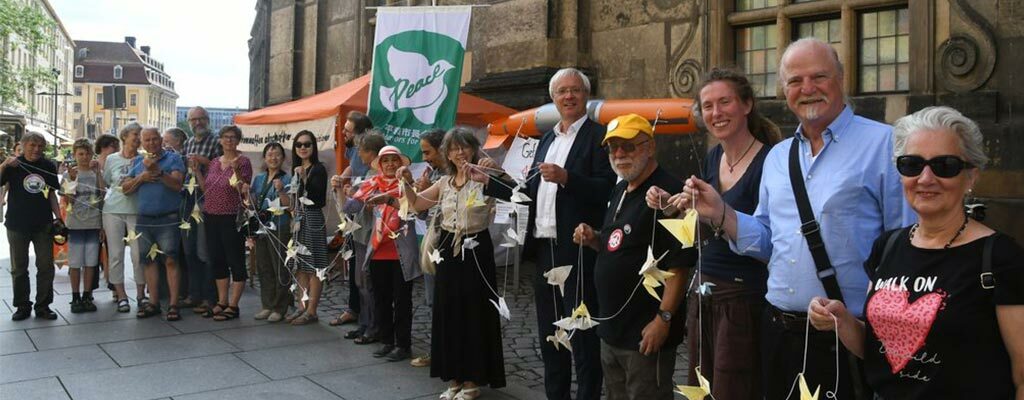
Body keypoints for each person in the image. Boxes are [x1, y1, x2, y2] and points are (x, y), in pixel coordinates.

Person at [677, 38, 915, 399]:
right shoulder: (779, 156)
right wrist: (721, 212)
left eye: (818, 76)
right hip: (779, 330)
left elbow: (906, 245)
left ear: (841, 77)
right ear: (783, 90)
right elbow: (767, 240)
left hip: (845, 336)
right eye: (795, 81)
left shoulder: (885, 144)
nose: (807, 89)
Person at [807, 106, 1024, 399]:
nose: (925, 178)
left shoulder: (999, 257)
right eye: (912, 164)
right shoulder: (888, 246)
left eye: (945, 165)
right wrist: (842, 321)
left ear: (971, 177)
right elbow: (879, 349)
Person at [646, 67, 780, 398]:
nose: (716, 113)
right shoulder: (714, 156)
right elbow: (704, 224)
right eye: (708, 106)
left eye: (725, 102)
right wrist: (672, 204)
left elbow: (774, 239)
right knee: (703, 390)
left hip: (744, 300)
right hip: (705, 294)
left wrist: (718, 212)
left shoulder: (771, 161)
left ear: (747, 104)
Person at [483, 67, 615, 400]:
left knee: (583, 334)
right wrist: (490, 181)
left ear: (586, 95)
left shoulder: (599, 137)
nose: (568, 96)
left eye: (575, 90)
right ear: (553, 98)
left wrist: (567, 177)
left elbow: (608, 189)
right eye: (562, 91)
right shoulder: (547, 139)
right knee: (551, 334)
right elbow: (529, 191)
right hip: (544, 249)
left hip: (578, 248)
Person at [570, 114, 693, 400]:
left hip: (645, 333)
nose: (619, 154)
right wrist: (594, 238)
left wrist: (663, 319)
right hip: (612, 329)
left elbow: (680, 265)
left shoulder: (669, 192)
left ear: (649, 147)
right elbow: (618, 244)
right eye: (612, 148)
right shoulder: (620, 188)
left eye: (628, 146)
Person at [399, 127, 506, 400]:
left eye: (465, 147)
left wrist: (497, 172)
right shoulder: (445, 182)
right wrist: (406, 182)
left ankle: (472, 380)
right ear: (447, 154)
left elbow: (516, 192)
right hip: (448, 249)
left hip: (476, 249)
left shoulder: (483, 177)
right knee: (449, 313)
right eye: (454, 148)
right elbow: (417, 205)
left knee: (473, 314)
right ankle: (455, 378)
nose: (460, 153)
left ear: (473, 149)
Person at [338, 145, 422, 362]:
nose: (390, 164)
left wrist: (408, 184)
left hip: (402, 252)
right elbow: (350, 208)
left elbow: (420, 211)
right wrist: (339, 189)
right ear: (380, 165)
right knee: (381, 299)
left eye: (394, 160)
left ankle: (403, 345)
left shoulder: (408, 185)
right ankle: (387, 341)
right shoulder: (371, 184)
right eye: (386, 160)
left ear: (400, 163)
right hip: (377, 250)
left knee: (402, 301)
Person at [122, 127, 186, 321]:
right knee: (148, 261)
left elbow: (177, 185)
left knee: (171, 259)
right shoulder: (138, 162)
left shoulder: (174, 159)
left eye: (154, 139)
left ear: (161, 139)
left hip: (168, 218)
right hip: (144, 219)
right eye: (147, 140)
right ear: (142, 143)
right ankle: (153, 302)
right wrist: (141, 177)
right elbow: (125, 189)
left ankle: (173, 304)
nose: (151, 143)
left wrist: (157, 172)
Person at [1, 132, 62, 320]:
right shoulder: (13, 165)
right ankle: (22, 306)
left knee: (46, 266)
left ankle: (43, 305)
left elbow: (51, 194)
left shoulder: (48, 166)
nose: (36, 149)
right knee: (19, 268)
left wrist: (59, 217)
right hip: (17, 224)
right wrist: (4, 165)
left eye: (40, 146)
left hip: (43, 223)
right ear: (23, 145)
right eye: (32, 145)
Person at [194, 125, 253, 321]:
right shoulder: (214, 162)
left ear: (238, 140)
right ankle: (222, 301)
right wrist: (197, 172)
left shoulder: (243, 162)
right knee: (217, 259)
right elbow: (206, 188)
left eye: (233, 137)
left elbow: (242, 189)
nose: (229, 140)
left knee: (235, 259)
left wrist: (236, 171)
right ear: (220, 140)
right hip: (211, 215)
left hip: (231, 216)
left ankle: (234, 305)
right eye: (225, 137)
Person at [337, 133, 386, 343]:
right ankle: (365, 324)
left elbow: (356, 205)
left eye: (361, 150)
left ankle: (373, 327)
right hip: (361, 233)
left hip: (371, 235)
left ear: (371, 153)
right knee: (361, 282)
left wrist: (350, 194)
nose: (358, 154)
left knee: (368, 283)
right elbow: (350, 206)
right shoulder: (368, 174)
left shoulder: (378, 176)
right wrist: (344, 192)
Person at [328, 111, 375, 328]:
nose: (343, 133)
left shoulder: (370, 153)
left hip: (366, 215)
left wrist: (354, 189)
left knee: (364, 270)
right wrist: (342, 177)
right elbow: (352, 167)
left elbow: (368, 179)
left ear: (362, 134)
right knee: (355, 263)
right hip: (354, 211)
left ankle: (368, 318)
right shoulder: (352, 148)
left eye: (348, 130)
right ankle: (355, 310)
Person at [409, 127, 447, 368]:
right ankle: (437, 350)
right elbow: (420, 213)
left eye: (427, 152)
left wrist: (427, 190)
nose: (425, 158)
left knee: (446, 301)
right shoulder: (431, 174)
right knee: (433, 300)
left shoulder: (454, 174)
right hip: (431, 242)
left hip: (448, 244)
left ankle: (447, 353)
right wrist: (419, 190)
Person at [182, 106, 222, 316]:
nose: (197, 123)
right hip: (189, 199)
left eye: (201, 119)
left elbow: (222, 166)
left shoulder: (216, 141)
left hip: (208, 199)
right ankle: (193, 293)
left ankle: (209, 297)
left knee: (205, 250)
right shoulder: (188, 142)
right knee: (189, 250)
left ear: (207, 119)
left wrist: (202, 161)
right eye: (193, 120)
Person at [285, 130, 329, 325]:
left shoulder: (318, 169)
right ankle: (302, 307)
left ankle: (312, 311)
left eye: (307, 144)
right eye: (299, 144)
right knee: (300, 266)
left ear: (313, 147)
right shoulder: (295, 169)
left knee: (315, 265)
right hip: (298, 220)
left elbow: (318, 199)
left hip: (312, 218)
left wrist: (304, 179)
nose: (303, 147)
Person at [103, 123, 145, 313]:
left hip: (137, 211)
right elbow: (107, 182)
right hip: (113, 210)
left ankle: (141, 294)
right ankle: (121, 295)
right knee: (115, 254)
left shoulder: (144, 159)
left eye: (140, 135)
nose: (138, 138)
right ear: (125, 136)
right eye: (135, 134)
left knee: (138, 255)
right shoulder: (111, 159)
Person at [250, 142, 293, 322]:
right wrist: (245, 193)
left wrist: (281, 190)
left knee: (280, 267)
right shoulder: (259, 178)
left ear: (282, 158)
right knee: (264, 266)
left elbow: (290, 205)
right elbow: (253, 202)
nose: (273, 158)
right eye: (269, 154)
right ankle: (267, 305)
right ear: (264, 158)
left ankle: (280, 307)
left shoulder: (288, 178)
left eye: (277, 155)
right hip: (262, 227)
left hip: (280, 226)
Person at [63, 138, 105, 313]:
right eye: (80, 154)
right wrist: (72, 180)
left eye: (87, 153)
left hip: (93, 223)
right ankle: (75, 296)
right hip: (75, 224)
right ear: (75, 155)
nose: (84, 157)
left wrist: (99, 173)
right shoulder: (69, 175)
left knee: (91, 262)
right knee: (75, 263)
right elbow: (68, 200)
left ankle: (87, 295)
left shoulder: (96, 173)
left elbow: (103, 196)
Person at [92, 133, 119, 297]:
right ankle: (90, 289)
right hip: (94, 210)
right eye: (114, 146)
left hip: (112, 209)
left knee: (112, 249)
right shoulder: (93, 163)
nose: (117, 149)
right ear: (103, 147)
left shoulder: (115, 162)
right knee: (94, 252)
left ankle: (114, 286)